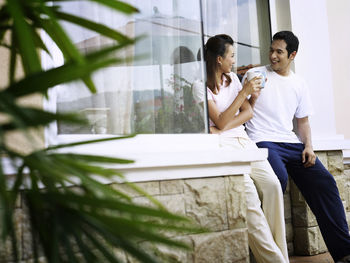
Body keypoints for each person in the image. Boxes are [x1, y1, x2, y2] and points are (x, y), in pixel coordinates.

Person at [241, 30, 350, 263]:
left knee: (326, 183)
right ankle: (269, 254)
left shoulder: (299, 83)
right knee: (276, 180)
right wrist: (251, 95)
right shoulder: (254, 74)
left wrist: (308, 146)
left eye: (279, 52)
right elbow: (243, 109)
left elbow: (303, 122)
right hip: (262, 140)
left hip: (291, 143)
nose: (272, 56)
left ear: (292, 55)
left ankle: (344, 252)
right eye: (271, 50)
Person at [193, 34, 289, 263]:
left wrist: (222, 124)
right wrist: (242, 95)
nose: (234, 61)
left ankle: (279, 254)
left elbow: (246, 114)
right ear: (218, 59)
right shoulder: (199, 87)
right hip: (223, 148)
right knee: (251, 202)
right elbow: (222, 119)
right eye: (232, 56)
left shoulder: (234, 81)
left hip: (244, 142)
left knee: (273, 186)